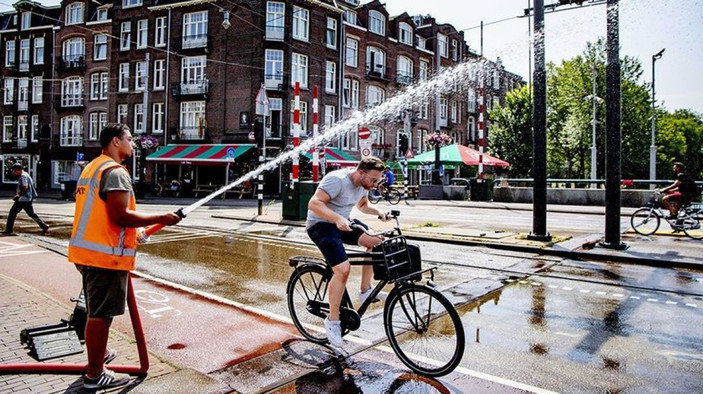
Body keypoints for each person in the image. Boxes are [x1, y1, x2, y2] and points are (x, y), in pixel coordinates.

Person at [68, 123, 182, 390]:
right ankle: (95, 375)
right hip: (104, 258)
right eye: (129, 139)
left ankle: (98, 356)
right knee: (101, 316)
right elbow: (120, 216)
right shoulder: (115, 172)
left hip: (87, 253)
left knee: (97, 312)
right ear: (115, 142)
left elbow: (105, 215)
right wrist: (161, 217)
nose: (133, 143)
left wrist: (137, 231)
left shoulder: (93, 166)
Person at [306, 156, 392, 348]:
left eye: (378, 180)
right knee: (343, 270)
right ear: (361, 172)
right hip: (321, 225)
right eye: (373, 180)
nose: (375, 184)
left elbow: (362, 205)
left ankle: (365, 290)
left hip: (343, 223)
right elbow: (314, 203)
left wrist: (378, 212)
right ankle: (333, 321)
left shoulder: (364, 185)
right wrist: (336, 218)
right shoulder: (337, 180)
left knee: (377, 242)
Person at [3, 163, 49, 235]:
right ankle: (44, 226)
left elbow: (25, 187)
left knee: (12, 213)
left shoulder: (23, 176)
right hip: (27, 198)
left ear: (18, 170)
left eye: (14, 171)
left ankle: (9, 230)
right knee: (31, 214)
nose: (13, 172)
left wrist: (18, 195)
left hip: (23, 199)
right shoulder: (26, 174)